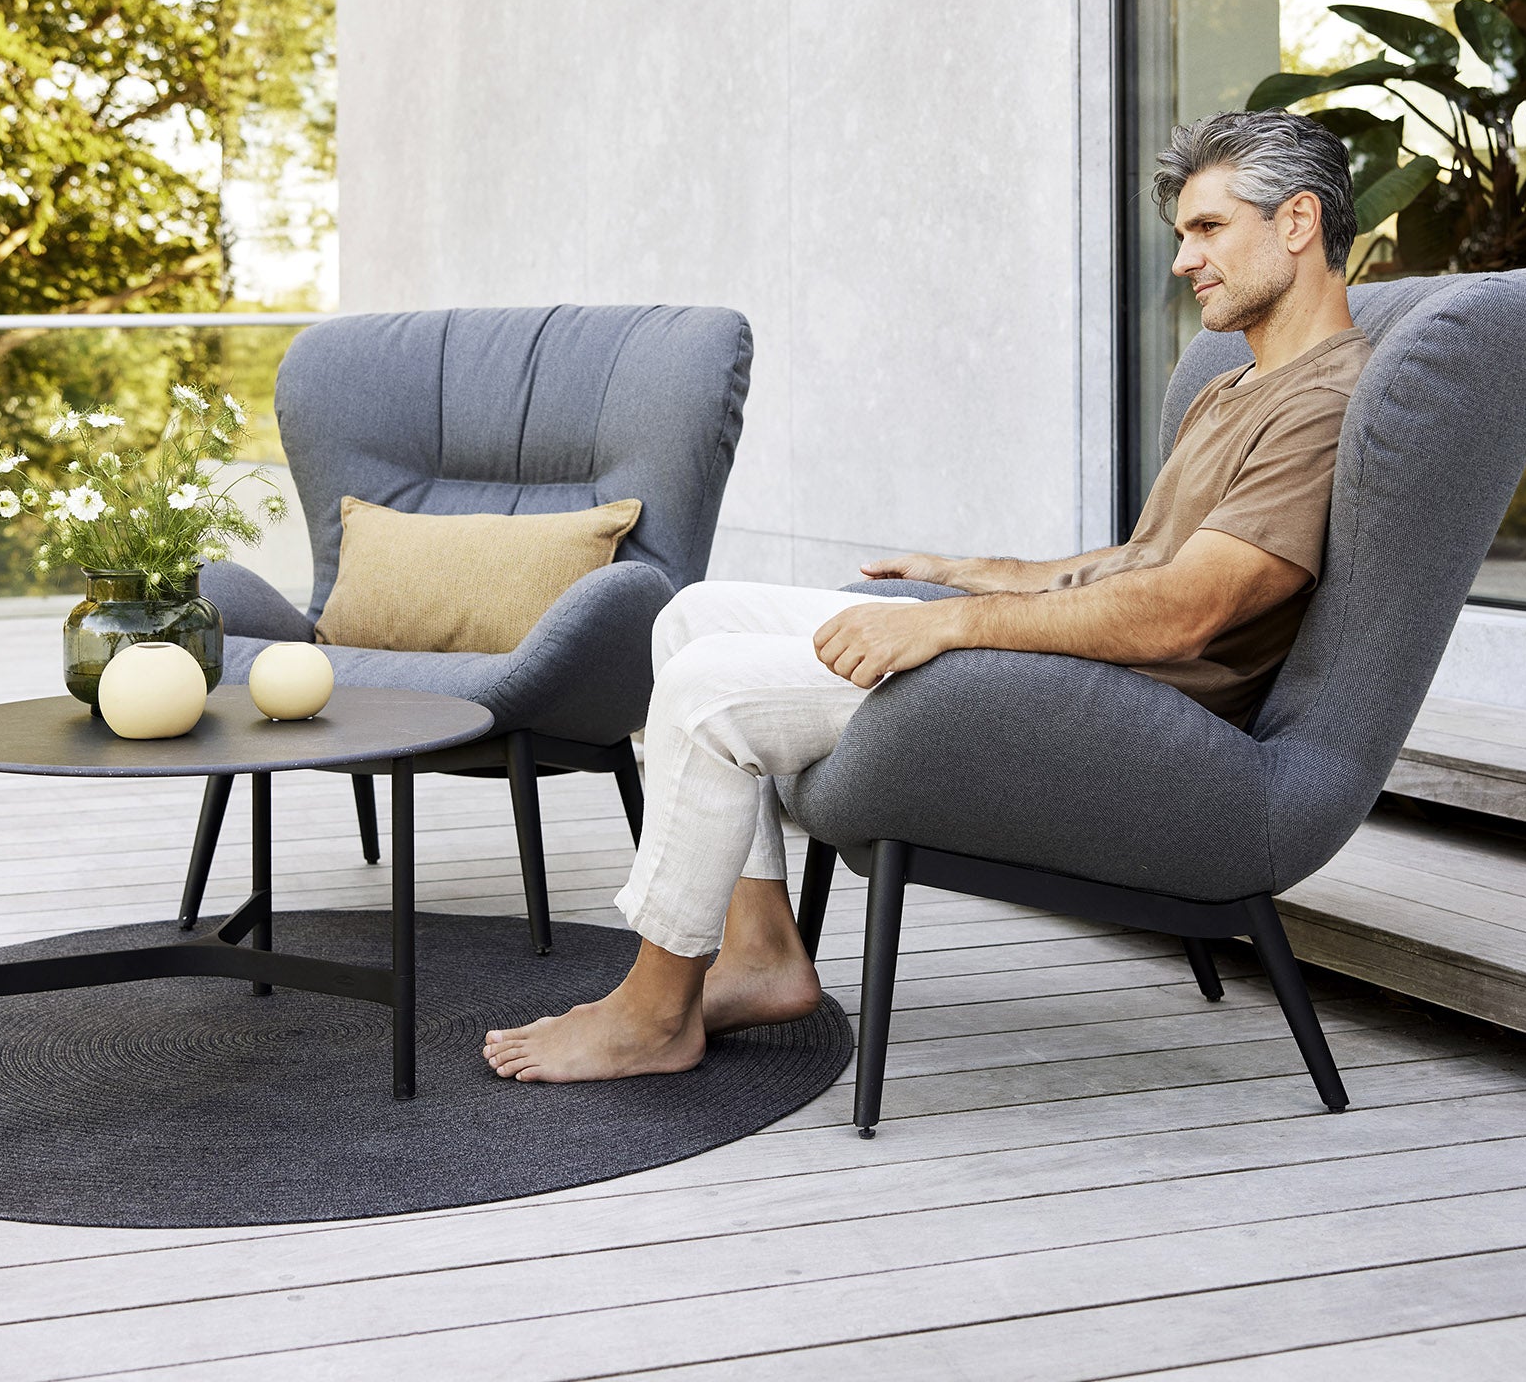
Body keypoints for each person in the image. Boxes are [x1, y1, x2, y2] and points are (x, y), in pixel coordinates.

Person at [483, 108, 1373, 1084]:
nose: (1182, 261)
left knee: (708, 689)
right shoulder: (1238, 386)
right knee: (697, 615)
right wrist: (982, 573)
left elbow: (1184, 613)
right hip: (1083, 668)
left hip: (1132, 713)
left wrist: (950, 626)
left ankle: (653, 1016)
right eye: (1182, 234)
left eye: (1207, 229)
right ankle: (761, 954)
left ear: (1295, 223)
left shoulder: (1322, 403)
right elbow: (1147, 563)